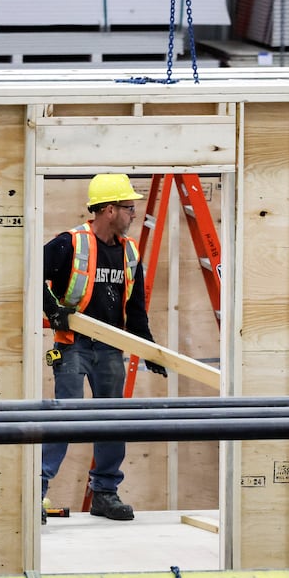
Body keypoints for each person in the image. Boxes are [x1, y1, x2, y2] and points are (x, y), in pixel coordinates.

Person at [41, 173, 168, 522]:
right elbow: (32, 274)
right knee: (65, 417)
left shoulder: (129, 252)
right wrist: (53, 310)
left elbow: (136, 308)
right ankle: (36, 491)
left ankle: (105, 493)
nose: (133, 215)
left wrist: (149, 349)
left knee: (113, 421)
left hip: (111, 347)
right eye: (129, 208)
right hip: (73, 346)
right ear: (109, 210)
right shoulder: (70, 243)